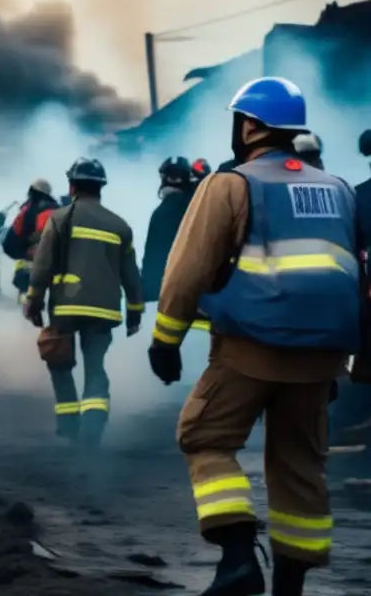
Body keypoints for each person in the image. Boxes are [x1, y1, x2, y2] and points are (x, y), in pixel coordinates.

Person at [148, 76, 371, 596]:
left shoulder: (231, 184)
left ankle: (238, 557)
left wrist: (166, 340)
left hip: (251, 347)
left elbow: (186, 272)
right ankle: (288, 588)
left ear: (249, 126)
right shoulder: (338, 189)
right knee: (299, 466)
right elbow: (355, 274)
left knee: (204, 435)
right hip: (321, 357)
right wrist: (345, 360)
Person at [24, 157, 143, 446]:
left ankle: (68, 424)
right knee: (95, 366)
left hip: (65, 307)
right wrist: (135, 314)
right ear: (101, 187)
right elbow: (132, 276)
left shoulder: (60, 218)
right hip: (104, 309)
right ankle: (92, 427)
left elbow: (42, 266)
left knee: (60, 363)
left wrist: (33, 302)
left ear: (72, 185)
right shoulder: (120, 226)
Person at [141, 157, 193, 303]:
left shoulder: (160, 214)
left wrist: (146, 295)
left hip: (167, 296)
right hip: (199, 296)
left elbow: (153, 259)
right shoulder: (199, 208)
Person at [3, 178, 59, 297]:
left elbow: (11, 240)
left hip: (31, 266)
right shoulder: (60, 210)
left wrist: (23, 251)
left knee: (26, 288)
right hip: (56, 268)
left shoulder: (27, 210)